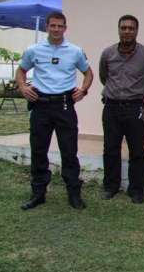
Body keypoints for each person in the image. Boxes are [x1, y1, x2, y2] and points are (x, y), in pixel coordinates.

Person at [16, 11, 94, 210]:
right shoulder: (34, 50)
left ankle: (74, 194)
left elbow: (88, 73)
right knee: (38, 150)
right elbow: (21, 71)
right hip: (41, 105)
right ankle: (38, 193)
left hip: (64, 106)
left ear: (65, 28)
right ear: (47, 27)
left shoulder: (75, 51)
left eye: (60, 26)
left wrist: (83, 90)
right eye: (53, 26)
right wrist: (23, 88)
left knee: (69, 152)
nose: (57, 29)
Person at [99, 15, 144, 204]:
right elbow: (103, 77)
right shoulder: (107, 54)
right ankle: (110, 186)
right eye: (123, 28)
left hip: (135, 107)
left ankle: (136, 190)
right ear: (118, 30)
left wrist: (135, 92)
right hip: (111, 106)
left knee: (137, 150)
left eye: (131, 28)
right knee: (110, 149)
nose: (127, 31)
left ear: (136, 31)